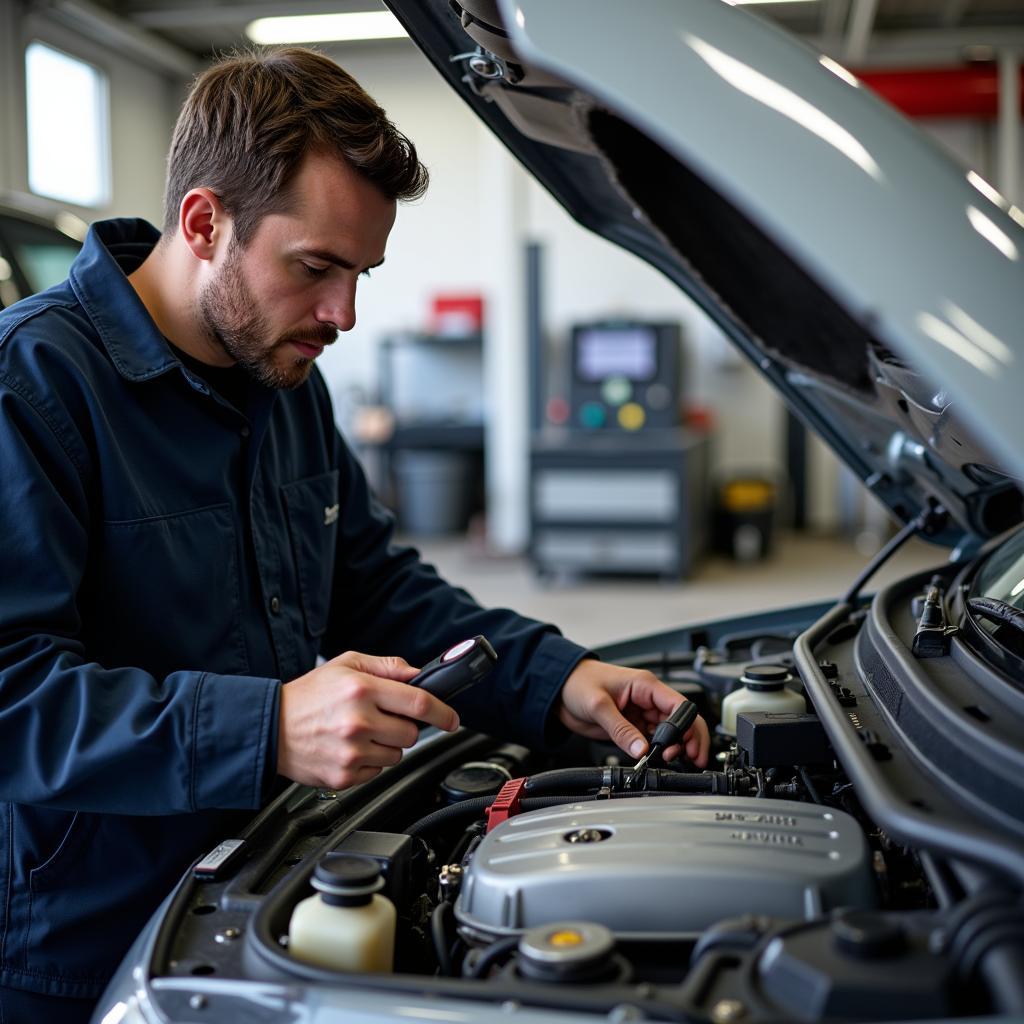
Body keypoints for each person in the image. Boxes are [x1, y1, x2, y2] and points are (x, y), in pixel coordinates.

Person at [0, 47, 709, 1022]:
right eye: (316, 268)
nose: (344, 314)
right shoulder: (33, 386)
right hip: (86, 950)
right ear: (205, 222)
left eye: (361, 272)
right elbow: (13, 693)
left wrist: (557, 678)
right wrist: (268, 729)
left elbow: (375, 588)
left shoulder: (285, 380)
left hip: (263, 890)